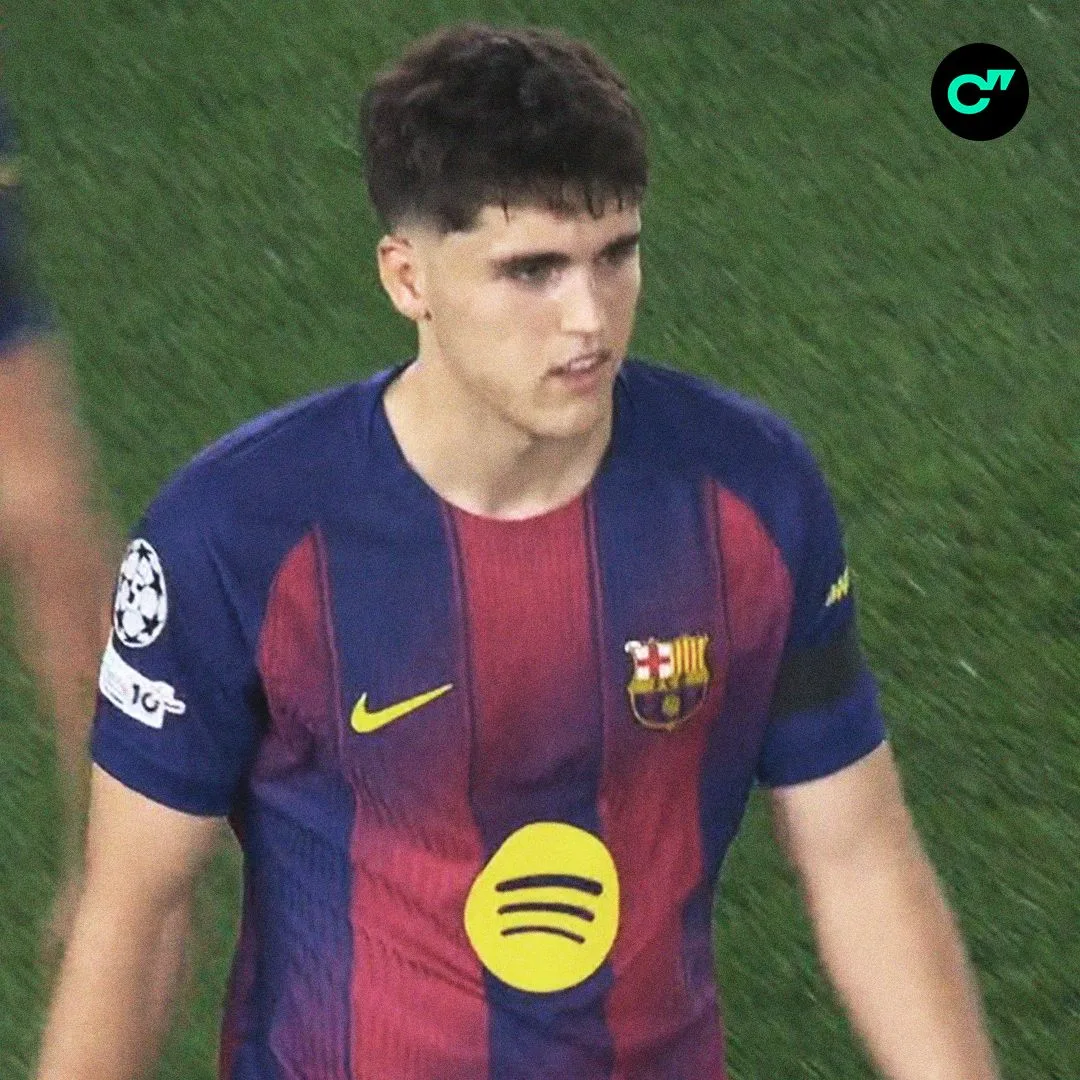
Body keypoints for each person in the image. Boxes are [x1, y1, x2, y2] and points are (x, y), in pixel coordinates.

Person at [35, 22, 1001, 1080]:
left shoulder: (749, 496)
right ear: (408, 278)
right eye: (531, 270)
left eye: (615, 254)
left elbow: (858, 856)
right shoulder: (237, 535)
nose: (589, 320)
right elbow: (137, 912)